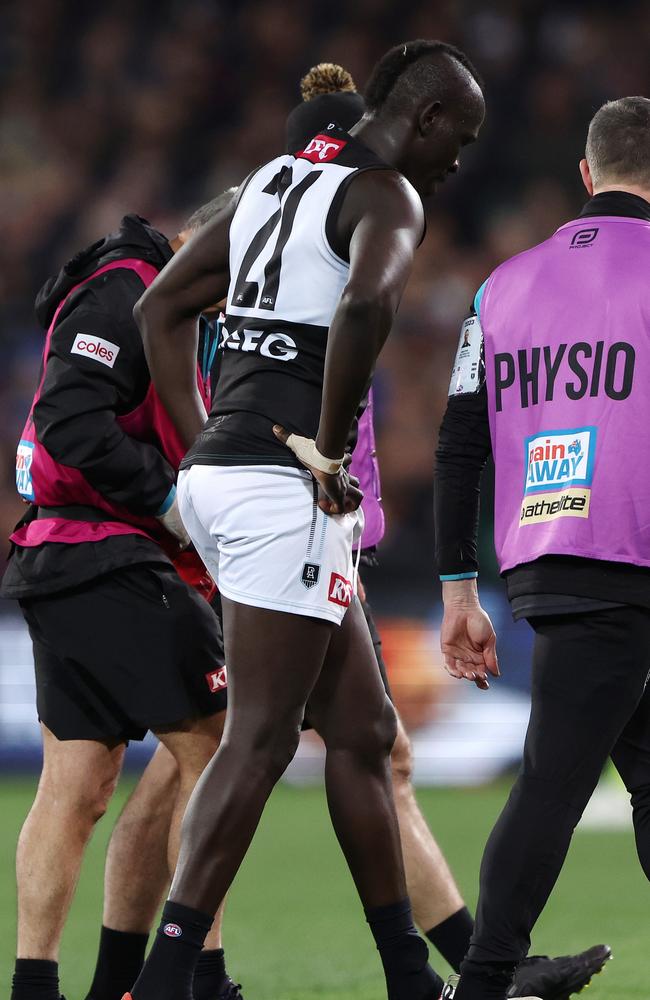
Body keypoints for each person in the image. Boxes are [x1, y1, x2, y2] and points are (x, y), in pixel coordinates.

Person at [127, 39, 485, 1000]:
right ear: (424, 118)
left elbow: (162, 308)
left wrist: (203, 440)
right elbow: (368, 301)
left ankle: (413, 979)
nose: (461, 161)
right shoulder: (386, 195)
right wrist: (327, 448)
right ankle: (167, 979)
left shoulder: (272, 181)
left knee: (364, 734)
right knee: (261, 740)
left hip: (226, 476)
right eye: (461, 136)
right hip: (284, 485)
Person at [434, 96, 650, 1000]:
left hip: (547, 562)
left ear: (588, 176)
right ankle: (486, 981)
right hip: (635, 554)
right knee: (555, 781)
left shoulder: (500, 288)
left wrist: (456, 586)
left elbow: (458, 441)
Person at [2, 204, 241, 1000]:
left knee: (77, 784)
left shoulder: (166, 305)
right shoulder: (126, 291)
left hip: (66, 558)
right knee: (219, 750)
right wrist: (170, 501)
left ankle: (38, 985)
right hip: (105, 553)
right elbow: (69, 421)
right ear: (203, 246)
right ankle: (200, 979)